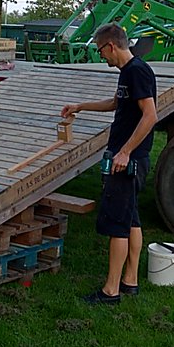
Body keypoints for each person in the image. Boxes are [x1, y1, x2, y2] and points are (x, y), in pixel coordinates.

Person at [60, 24, 158, 305]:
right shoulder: (130, 71)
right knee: (131, 219)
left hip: (128, 160)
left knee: (117, 223)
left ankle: (110, 291)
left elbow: (150, 116)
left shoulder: (137, 71)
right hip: (130, 158)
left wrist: (125, 151)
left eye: (101, 50)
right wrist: (81, 106)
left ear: (111, 46)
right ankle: (130, 280)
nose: (102, 57)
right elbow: (117, 104)